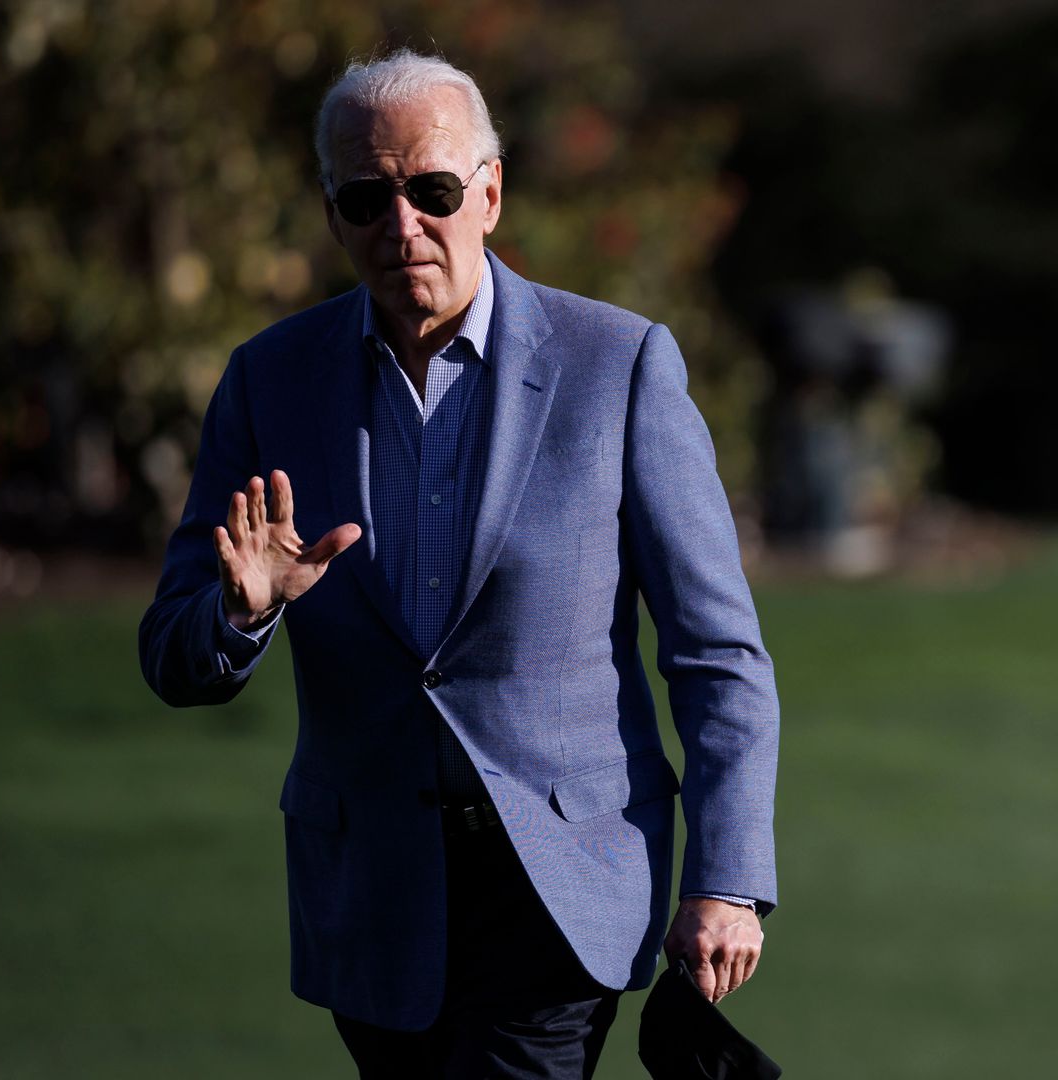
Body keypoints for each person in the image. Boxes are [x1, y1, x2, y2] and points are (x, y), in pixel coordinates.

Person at [138, 49, 778, 1079]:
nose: (403, 227)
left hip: (560, 892)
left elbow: (717, 654)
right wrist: (240, 612)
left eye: (432, 191)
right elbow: (170, 655)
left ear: (490, 191)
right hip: (370, 898)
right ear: (332, 210)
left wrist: (728, 880)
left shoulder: (617, 364)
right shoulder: (270, 381)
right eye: (366, 197)